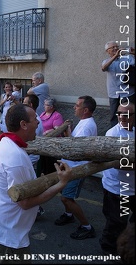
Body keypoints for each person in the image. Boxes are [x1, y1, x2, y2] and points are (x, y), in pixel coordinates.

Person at [0, 103, 72, 260]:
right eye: (35, 119)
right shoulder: (14, 156)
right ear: (23, 124)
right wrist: (61, 184)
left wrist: (40, 182)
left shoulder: (6, 143)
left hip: (4, 231)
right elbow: (25, 203)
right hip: (8, 238)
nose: (38, 122)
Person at [55, 95, 97, 240]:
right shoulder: (83, 122)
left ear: (85, 110)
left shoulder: (87, 126)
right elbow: (76, 143)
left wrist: (65, 137)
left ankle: (87, 226)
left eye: (77, 105)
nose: (74, 107)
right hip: (71, 166)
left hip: (77, 168)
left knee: (67, 198)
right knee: (64, 196)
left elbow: (76, 150)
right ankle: (68, 215)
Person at [99, 102, 135, 255]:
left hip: (132, 188)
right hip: (117, 189)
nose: (122, 117)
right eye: (119, 113)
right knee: (116, 223)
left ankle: (129, 245)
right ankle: (109, 250)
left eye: (126, 114)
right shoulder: (113, 134)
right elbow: (119, 164)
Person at [101, 42, 135, 128]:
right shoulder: (106, 61)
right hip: (113, 93)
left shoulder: (128, 58)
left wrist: (134, 53)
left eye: (117, 47)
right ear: (107, 51)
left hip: (127, 92)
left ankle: (130, 132)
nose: (116, 48)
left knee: (129, 115)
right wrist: (115, 56)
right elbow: (104, 68)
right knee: (114, 115)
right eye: (113, 47)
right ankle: (115, 134)